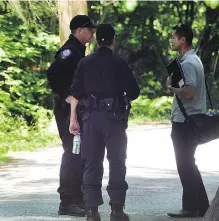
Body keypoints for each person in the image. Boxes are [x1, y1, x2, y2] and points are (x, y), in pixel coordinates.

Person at [69, 24, 140, 221]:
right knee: (117, 161)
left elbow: (75, 91)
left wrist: (73, 119)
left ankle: (92, 211)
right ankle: (117, 210)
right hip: (114, 119)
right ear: (113, 40)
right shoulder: (119, 63)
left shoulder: (85, 63)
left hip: (90, 118)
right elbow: (134, 92)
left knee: (92, 162)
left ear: (96, 39)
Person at [46, 14, 96, 217]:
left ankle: (78, 198)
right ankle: (67, 201)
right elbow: (53, 74)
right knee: (72, 153)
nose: (92, 33)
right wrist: (66, 95)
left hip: (77, 110)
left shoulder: (78, 50)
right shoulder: (69, 51)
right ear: (80, 30)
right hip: (67, 112)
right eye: (90, 29)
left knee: (79, 153)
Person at [166, 24, 210, 218]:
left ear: (183, 39)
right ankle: (199, 206)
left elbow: (189, 92)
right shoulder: (190, 60)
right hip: (189, 119)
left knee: (185, 164)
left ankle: (193, 207)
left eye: (174, 37)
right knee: (187, 164)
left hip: (185, 121)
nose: (171, 40)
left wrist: (172, 88)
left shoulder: (188, 63)